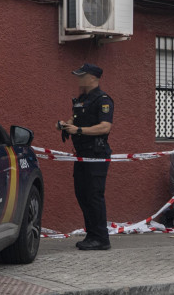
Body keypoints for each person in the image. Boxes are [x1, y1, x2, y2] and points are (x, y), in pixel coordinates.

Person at [59, 63, 115, 251]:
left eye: (81, 76)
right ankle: (92, 235)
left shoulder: (103, 100)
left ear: (92, 78)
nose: (78, 79)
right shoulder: (82, 100)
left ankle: (101, 238)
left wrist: (79, 130)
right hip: (82, 155)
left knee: (94, 195)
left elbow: (105, 126)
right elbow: (74, 121)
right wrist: (65, 125)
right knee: (82, 194)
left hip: (96, 154)